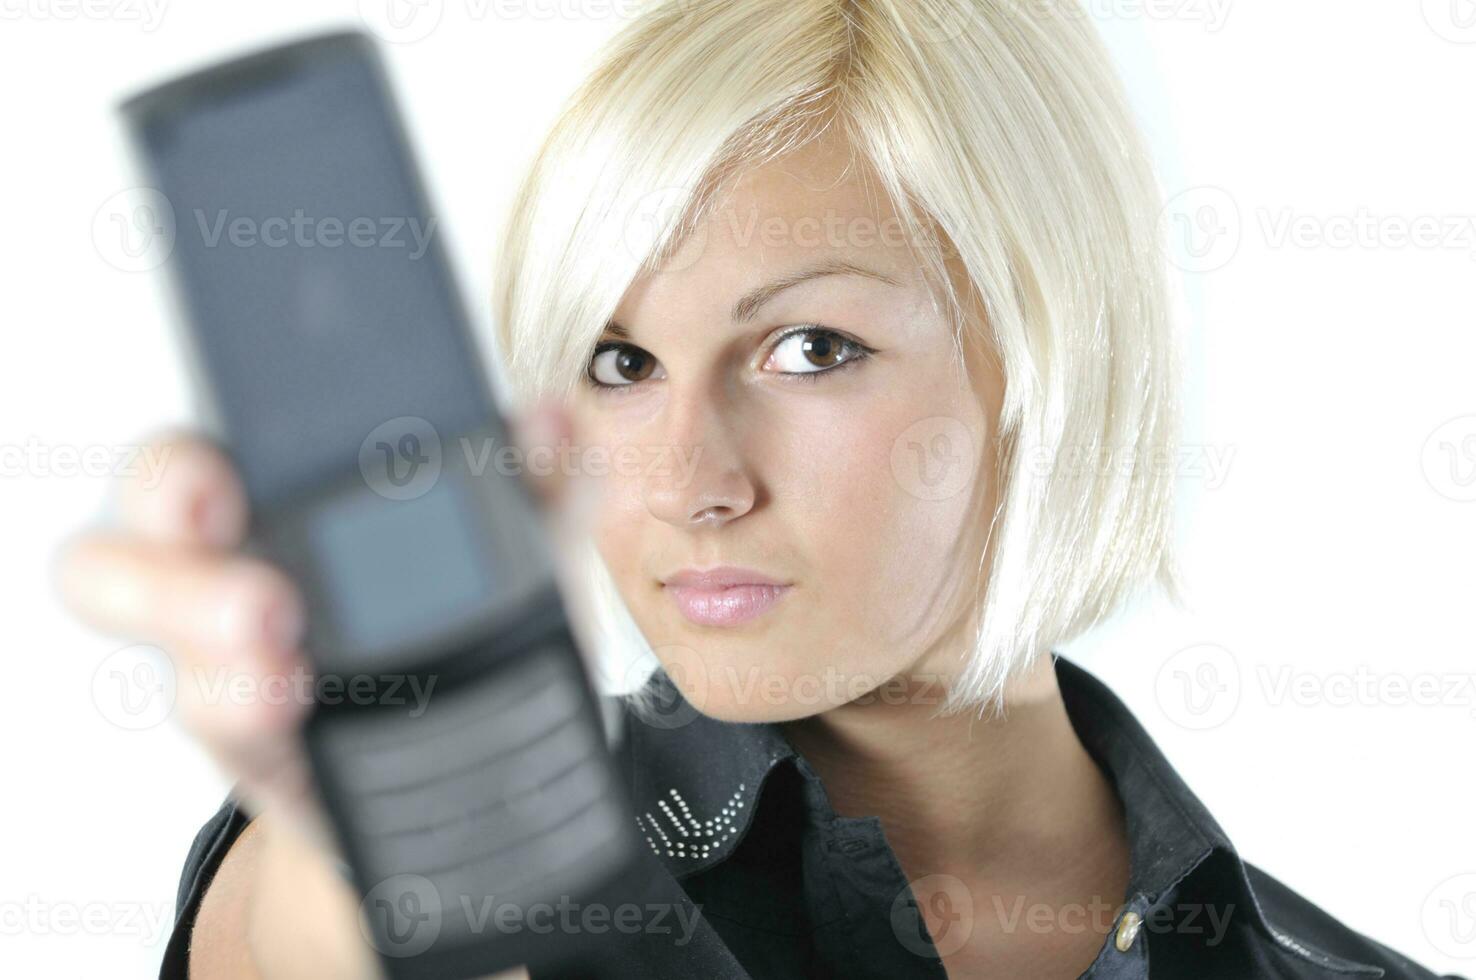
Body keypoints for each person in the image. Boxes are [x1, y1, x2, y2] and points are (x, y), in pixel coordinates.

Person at [56, 0, 1463, 977]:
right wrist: (365, 844)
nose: (686, 482)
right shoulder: (512, 857)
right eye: (618, 362)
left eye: (808, 348)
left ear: (1046, 355)